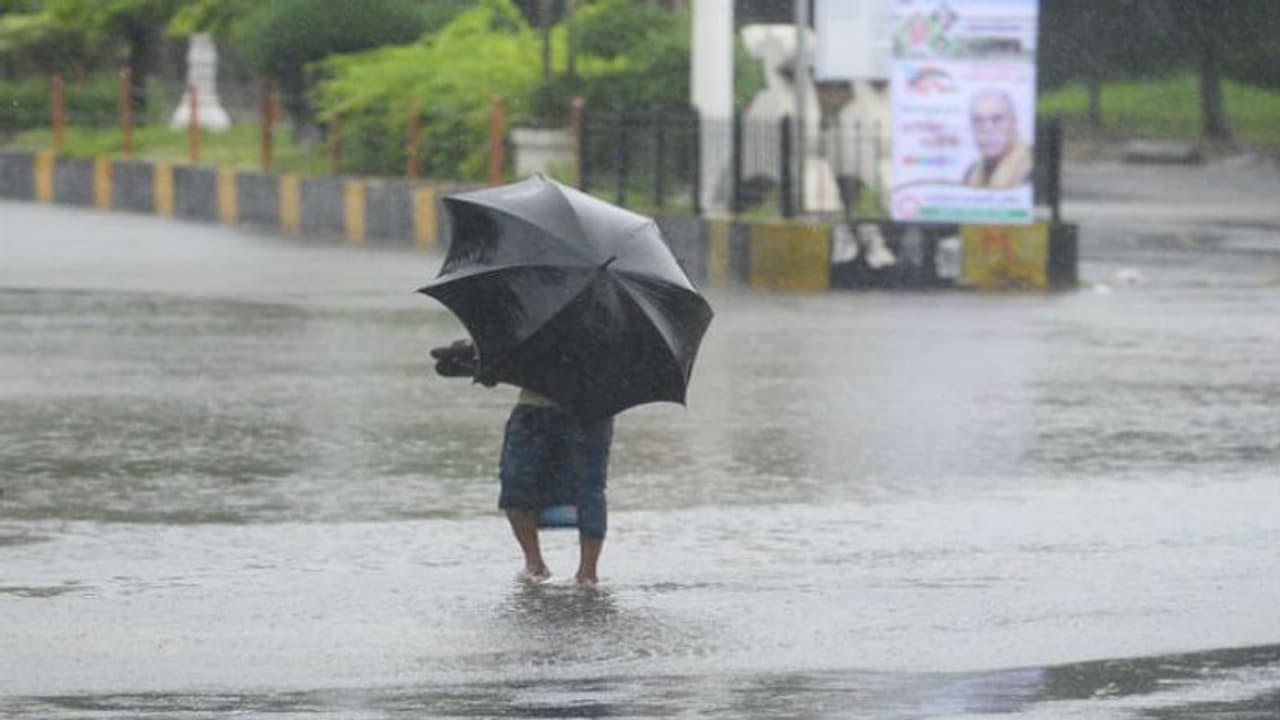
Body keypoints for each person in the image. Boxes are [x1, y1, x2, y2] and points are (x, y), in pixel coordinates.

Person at [431, 339, 614, 586]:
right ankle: (534, 562)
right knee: (515, 484)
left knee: (589, 489)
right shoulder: (540, 319)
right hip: (535, 408)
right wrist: (487, 363)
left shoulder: (608, 329)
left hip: (590, 412)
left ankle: (588, 572)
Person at [963, 89, 1033, 189]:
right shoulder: (971, 173)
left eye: (997, 119)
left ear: (1014, 123)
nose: (987, 128)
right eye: (978, 121)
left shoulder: (1032, 170)